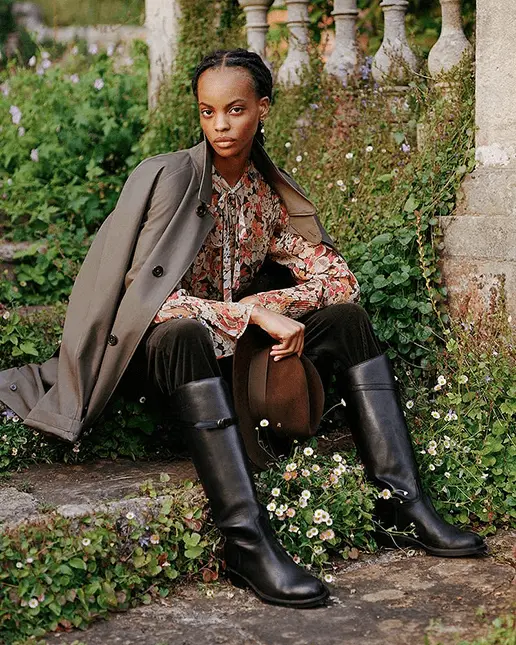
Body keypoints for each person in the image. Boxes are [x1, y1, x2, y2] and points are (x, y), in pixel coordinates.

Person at [0, 49, 486, 609]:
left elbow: (338, 280)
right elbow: (143, 302)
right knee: (181, 330)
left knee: (346, 320)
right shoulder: (173, 180)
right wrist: (251, 315)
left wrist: (269, 303)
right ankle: (245, 539)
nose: (221, 125)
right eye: (208, 112)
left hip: (233, 360)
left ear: (263, 109)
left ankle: (401, 499)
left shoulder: (263, 193)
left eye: (234, 109)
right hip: (160, 360)